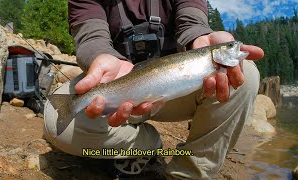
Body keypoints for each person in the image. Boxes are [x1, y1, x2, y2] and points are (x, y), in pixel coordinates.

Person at [43, 0, 264, 179]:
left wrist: (199, 37)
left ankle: (189, 174)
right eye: (229, 49)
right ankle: (150, 145)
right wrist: (100, 56)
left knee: (245, 75)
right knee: (55, 119)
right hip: (119, 86)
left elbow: (192, 22)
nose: (233, 48)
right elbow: (90, 38)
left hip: (178, 91)